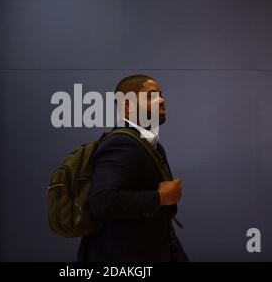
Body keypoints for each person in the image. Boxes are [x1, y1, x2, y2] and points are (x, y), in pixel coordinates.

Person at [77, 74, 188, 262]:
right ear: (127, 105)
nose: (162, 100)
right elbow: (103, 201)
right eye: (152, 96)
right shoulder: (122, 143)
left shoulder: (149, 144)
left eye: (161, 95)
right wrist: (160, 197)